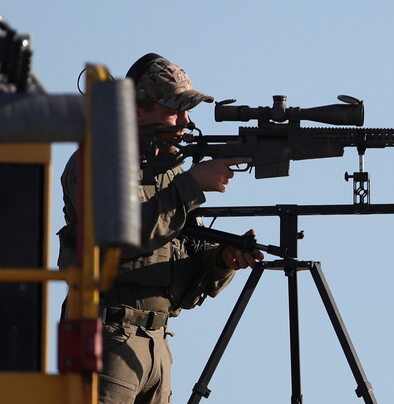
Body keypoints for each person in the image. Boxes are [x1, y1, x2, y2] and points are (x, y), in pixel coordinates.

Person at [57, 53, 264, 403]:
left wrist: (222, 260)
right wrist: (191, 185)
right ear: (137, 111)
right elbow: (118, 238)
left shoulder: (168, 171)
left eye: (187, 110)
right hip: (104, 336)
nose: (185, 121)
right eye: (174, 110)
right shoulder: (97, 161)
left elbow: (186, 253)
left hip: (156, 343)